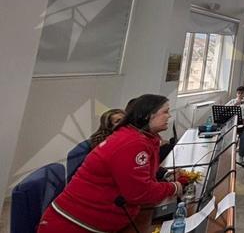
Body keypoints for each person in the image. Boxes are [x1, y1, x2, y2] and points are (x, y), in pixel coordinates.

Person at [38, 95, 182, 233]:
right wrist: (174, 187)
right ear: (148, 115)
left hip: (100, 223)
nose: (169, 116)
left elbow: (146, 175)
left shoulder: (144, 139)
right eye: (165, 112)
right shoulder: (132, 143)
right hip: (73, 225)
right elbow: (139, 193)